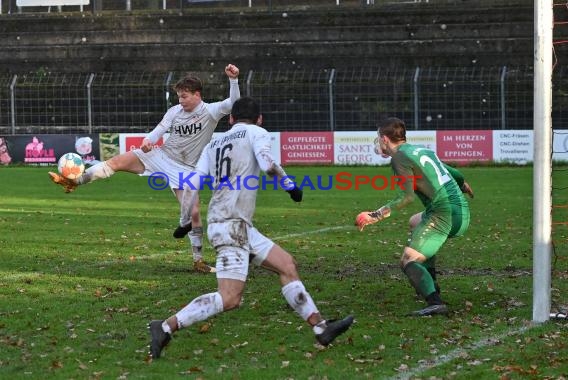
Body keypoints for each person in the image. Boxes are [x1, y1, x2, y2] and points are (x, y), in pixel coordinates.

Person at [148, 96, 354, 359]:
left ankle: (320, 328)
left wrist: (184, 221)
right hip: (231, 226)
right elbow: (268, 164)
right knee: (230, 298)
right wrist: (290, 186)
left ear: (231, 119)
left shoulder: (213, 142)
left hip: (232, 224)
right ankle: (165, 326)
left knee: (287, 265)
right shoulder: (257, 132)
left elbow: (192, 184)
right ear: (259, 119)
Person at [48, 64, 241, 273]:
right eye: (178, 96)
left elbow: (233, 103)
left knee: (193, 213)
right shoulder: (174, 111)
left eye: (184, 96)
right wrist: (149, 141)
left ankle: (198, 261)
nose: (181, 100)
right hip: (161, 156)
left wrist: (234, 80)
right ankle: (75, 181)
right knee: (117, 162)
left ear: (197, 94)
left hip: (186, 169)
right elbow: (159, 130)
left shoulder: (211, 111)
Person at [355, 117, 474, 316]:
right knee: (414, 222)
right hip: (459, 210)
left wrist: (375, 215)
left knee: (407, 260)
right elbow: (453, 172)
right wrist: (462, 185)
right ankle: (430, 281)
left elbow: (407, 197)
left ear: (385, 139)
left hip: (443, 214)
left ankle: (434, 301)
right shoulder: (421, 150)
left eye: (379, 137)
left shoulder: (399, 158)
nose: (378, 142)